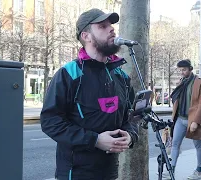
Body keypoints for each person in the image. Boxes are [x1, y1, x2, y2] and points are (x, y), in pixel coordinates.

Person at [40, 8, 139, 180]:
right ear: (86, 36)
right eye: (102, 26)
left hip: (109, 172)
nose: (111, 29)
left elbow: (130, 118)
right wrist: (94, 140)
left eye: (111, 26)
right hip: (76, 173)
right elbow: (50, 122)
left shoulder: (121, 76)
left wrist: (130, 136)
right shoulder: (68, 74)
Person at [165, 59, 201, 180]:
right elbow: (176, 100)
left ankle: (198, 171)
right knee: (175, 145)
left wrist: (196, 121)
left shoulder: (199, 83)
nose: (182, 72)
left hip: (192, 120)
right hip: (180, 119)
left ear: (190, 69)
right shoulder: (181, 82)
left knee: (198, 145)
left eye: (184, 70)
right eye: (180, 70)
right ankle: (171, 170)